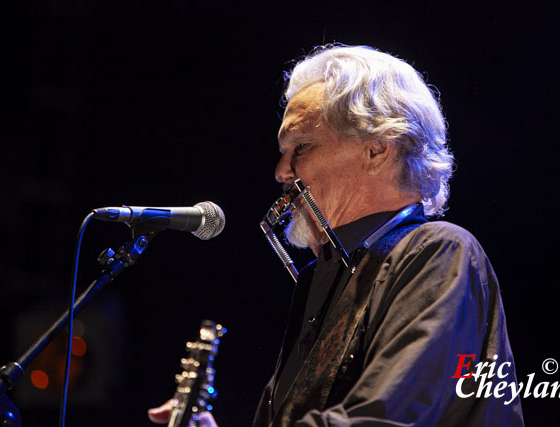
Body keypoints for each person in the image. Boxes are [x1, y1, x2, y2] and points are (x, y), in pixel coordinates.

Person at [149, 45, 524, 426]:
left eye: (302, 148)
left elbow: (380, 420)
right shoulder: (320, 277)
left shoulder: (438, 252)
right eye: (283, 152)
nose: (281, 171)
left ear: (377, 149)